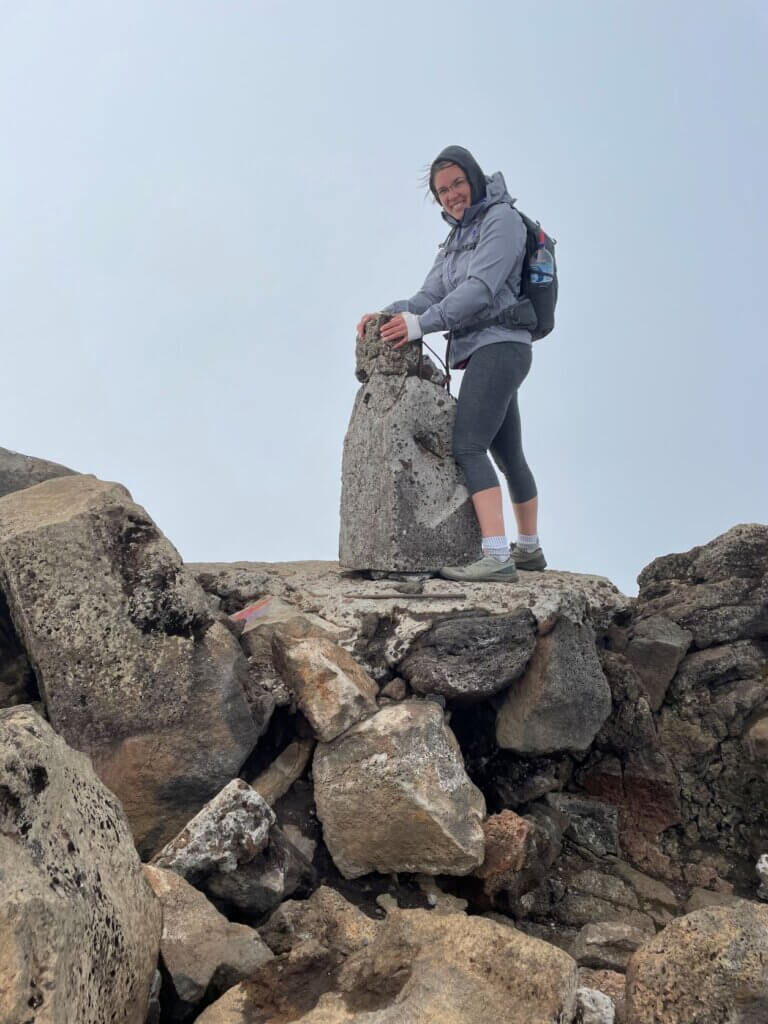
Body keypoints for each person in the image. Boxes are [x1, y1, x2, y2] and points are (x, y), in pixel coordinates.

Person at [356, 144, 546, 582]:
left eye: (458, 183)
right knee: (507, 450)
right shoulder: (456, 238)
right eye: (442, 191)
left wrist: (420, 326)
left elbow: (479, 290)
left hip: (501, 346)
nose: (452, 195)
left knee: (468, 445)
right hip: (487, 349)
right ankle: (530, 550)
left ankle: (497, 556)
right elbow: (427, 297)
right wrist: (386, 314)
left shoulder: (502, 221)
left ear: (474, 179)